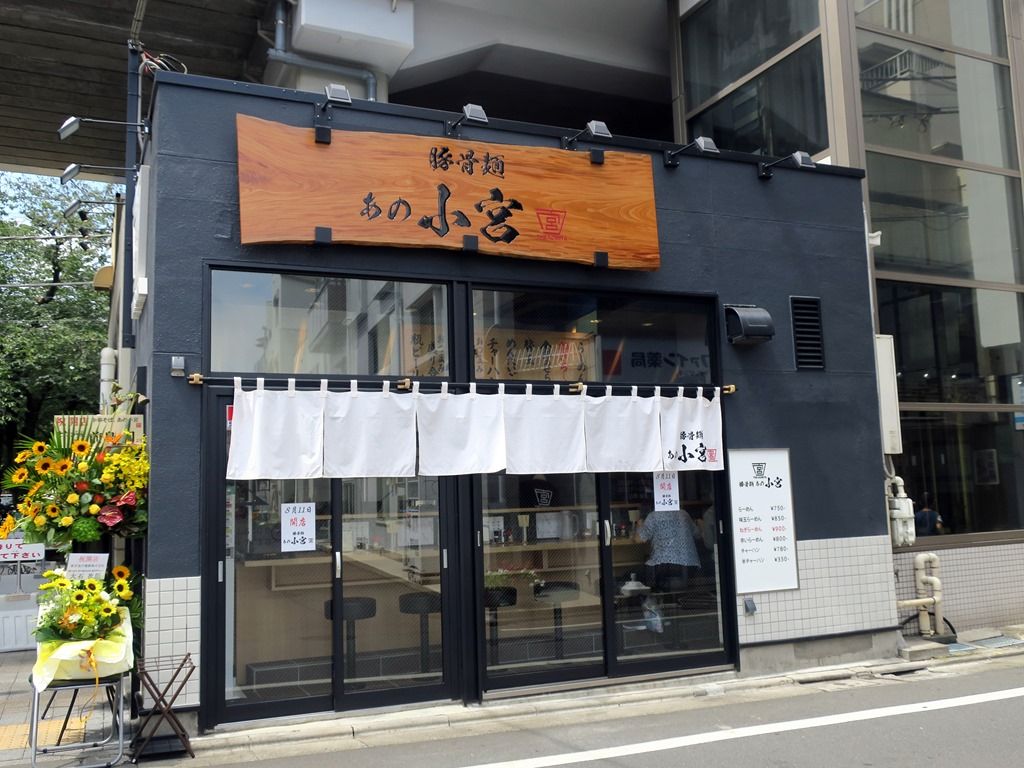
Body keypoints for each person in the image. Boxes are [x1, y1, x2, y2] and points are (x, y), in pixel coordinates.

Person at [635, 505, 701, 592]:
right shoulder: (683, 514)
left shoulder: (653, 516)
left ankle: (654, 598)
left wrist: (639, 524)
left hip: (664, 567)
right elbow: (698, 534)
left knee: (636, 575)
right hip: (690, 566)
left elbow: (639, 539)